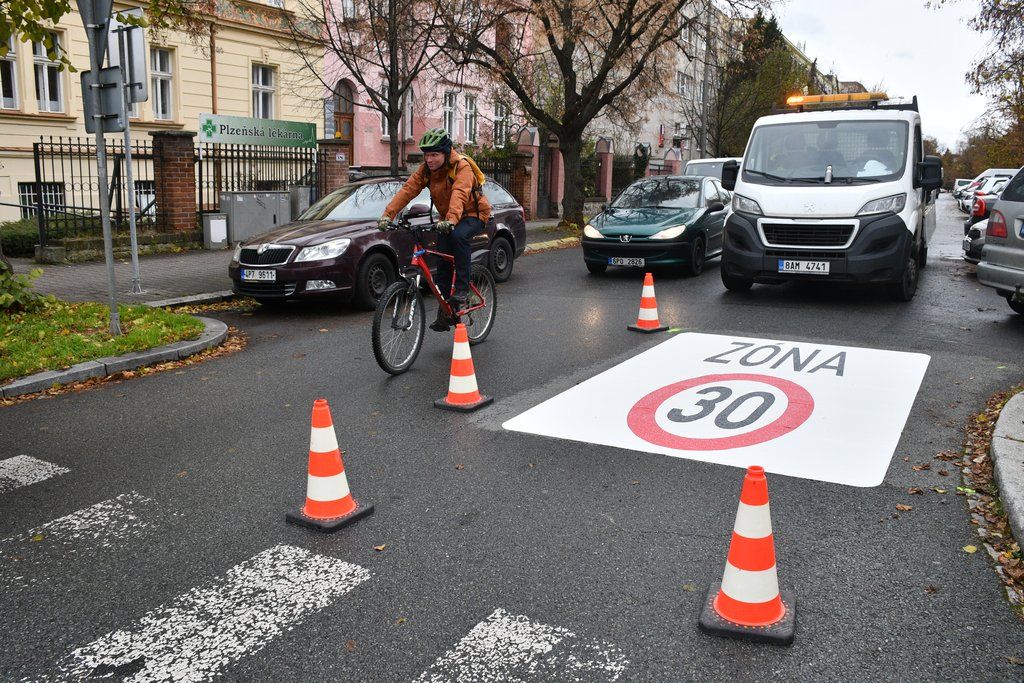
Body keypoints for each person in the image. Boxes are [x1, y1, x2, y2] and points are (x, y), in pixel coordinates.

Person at [378, 128, 491, 331]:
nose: (429, 159)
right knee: (442, 258)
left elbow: (460, 193)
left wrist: (451, 219)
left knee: (458, 236)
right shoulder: (426, 171)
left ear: (446, 153)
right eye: (426, 155)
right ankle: (445, 309)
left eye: (434, 154)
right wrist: (388, 214)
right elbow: (408, 190)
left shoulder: (461, 167)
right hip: (448, 218)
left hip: (473, 214)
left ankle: (464, 290)